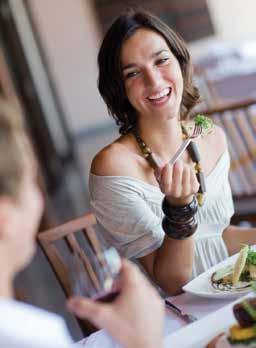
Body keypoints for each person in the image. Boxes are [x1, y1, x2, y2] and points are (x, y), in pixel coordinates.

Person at [89, 9, 256, 295]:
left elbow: (217, 235)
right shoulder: (114, 166)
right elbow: (172, 282)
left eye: (162, 60)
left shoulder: (211, 137)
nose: (154, 82)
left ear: (180, 62)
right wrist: (180, 209)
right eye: (133, 73)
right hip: (171, 317)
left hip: (230, 291)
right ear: (119, 88)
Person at [0, 99, 164, 348]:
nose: (40, 199)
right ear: (5, 218)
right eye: (31, 183)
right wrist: (142, 341)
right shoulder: (31, 338)